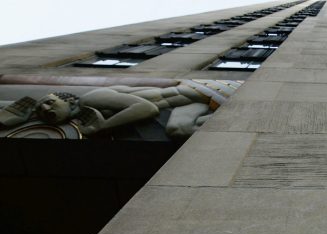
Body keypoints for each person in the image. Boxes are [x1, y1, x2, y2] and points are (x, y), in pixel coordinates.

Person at [0, 79, 241, 139]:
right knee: (179, 129)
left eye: (50, 102)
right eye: (42, 108)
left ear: (70, 100)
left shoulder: (92, 97)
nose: (45, 107)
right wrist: (27, 111)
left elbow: (144, 107)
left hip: (205, 90)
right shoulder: (84, 109)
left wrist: (103, 127)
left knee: (178, 128)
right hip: (193, 103)